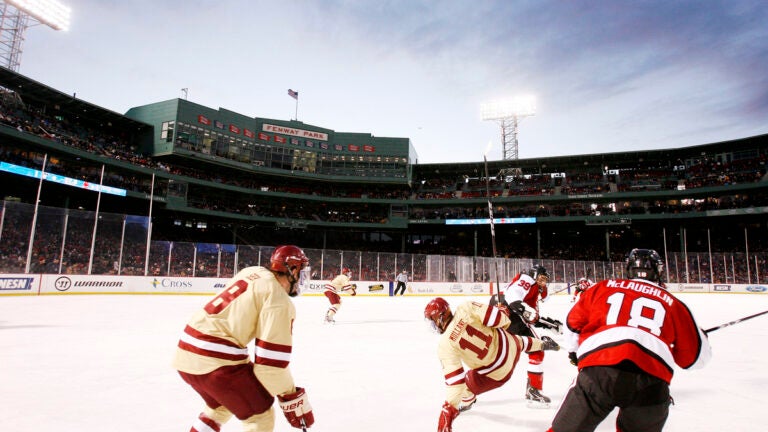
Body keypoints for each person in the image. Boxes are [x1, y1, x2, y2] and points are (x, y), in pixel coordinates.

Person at [548, 248, 712, 432]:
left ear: (628, 268)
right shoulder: (675, 304)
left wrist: (575, 352)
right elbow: (695, 360)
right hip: (651, 379)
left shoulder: (602, 287)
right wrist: (701, 339)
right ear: (658, 270)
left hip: (600, 369)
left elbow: (572, 324)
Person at [173, 245, 315, 432]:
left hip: (185, 352)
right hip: (216, 361)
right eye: (302, 269)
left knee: (221, 407)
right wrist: (291, 397)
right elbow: (269, 367)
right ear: (293, 269)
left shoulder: (253, 271)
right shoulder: (279, 300)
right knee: (260, 417)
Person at [424, 297, 560, 432]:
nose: (432, 325)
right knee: (520, 342)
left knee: (467, 384)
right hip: (509, 345)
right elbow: (503, 321)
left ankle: (467, 402)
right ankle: (542, 344)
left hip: (499, 373)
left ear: (440, 317)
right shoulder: (466, 307)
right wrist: (501, 311)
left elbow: (456, 383)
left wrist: (449, 408)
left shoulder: (445, 345)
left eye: (432, 320)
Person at [493, 265, 555, 407]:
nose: (543, 283)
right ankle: (533, 391)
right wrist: (522, 308)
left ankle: (466, 392)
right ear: (534, 276)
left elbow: (531, 317)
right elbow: (514, 296)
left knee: (493, 355)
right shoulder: (528, 280)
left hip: (504, 312)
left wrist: (549, 324)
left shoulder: (533, 290)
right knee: (537, 350)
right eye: (541, 279)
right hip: (509, 312)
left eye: (545, 280)